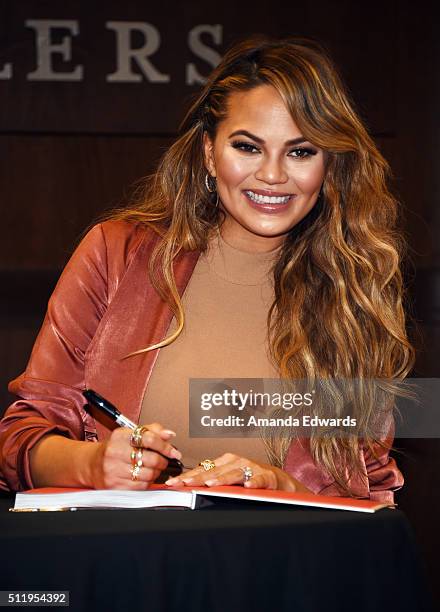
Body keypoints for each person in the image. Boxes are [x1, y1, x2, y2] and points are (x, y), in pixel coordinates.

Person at [0, 35, 414, 501]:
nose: (273, 175)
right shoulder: (117, 254)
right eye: (248, 147)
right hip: (125, 560)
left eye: (301, 151)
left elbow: (372, 490)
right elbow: (22, 434)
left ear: (329, 165)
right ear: (208, 153)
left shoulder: (353, 291)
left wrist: (279, 486)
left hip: (276, 566)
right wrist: (92, 464)